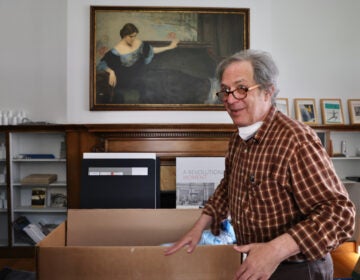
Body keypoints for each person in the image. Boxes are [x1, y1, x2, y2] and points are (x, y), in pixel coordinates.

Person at [164, 49, 355, 280]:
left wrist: (275, 250)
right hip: (255, 263)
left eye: (242, 89)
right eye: (225, 91)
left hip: (297, 269)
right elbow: (228, 186)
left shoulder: (296, 140)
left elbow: (340, 214)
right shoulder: (238, 138)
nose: (230, 99)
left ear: (268, 91)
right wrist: (199, 227)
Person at [97, 23, 179, 103]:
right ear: (124, 35)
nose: (133, 38)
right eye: (131, 36)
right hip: (127, 79)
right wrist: (111, 71)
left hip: (140, 73)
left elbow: (151, 50)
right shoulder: (116, 50)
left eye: (135, 36)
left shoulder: (138, 43)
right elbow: (101, 64)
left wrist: (169, 47)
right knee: (150, 81)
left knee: (160, 78)